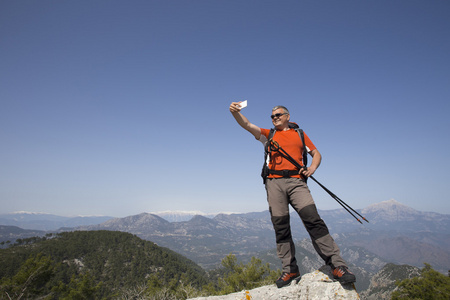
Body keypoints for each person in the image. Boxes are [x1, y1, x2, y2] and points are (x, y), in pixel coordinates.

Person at [229, 102, 356, 288]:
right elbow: (247, 125)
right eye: (272, 116)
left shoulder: (300, 135)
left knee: (313, 220)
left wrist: (312, 168)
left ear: (288, 116)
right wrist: (235, 113)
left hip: (297, 183)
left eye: (278, 115)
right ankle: (290, 270)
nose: (274, 118)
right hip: (273, 183)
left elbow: (316, 153)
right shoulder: (269, 134)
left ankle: (338, 265)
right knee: (281, 227)